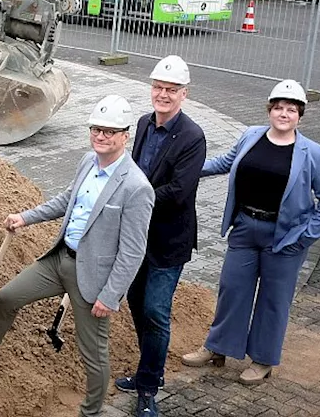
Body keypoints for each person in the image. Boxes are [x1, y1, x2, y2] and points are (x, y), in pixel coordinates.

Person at [0, 95, 154, 417]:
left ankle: (91, 411)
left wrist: (110, 296)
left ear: (125, 136)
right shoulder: (87, 161)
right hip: (59, 260)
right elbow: (67, 200)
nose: (101, 136)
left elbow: (133, 250)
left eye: (110, 131)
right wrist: (27, 217)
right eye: (97, 129)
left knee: (93, 352)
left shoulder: (137, 187)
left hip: (92, 279)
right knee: (7, 296)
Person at [182, 80, 320, 385]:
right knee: (232, 290)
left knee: (274, 299)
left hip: (285, 237)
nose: (283, 114)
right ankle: (217, 348)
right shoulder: (251, 136)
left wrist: (306, 236)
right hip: (244, 229)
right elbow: (225, 163)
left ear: (299, 115)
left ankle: (263, 360)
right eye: (278, 108)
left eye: (290, 109)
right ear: (270, 110)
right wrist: (186, 167)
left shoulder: (314, 154)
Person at [114, 56, 207, 417]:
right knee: (137, 302)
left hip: (170, 239)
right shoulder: (142, 124)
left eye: (171, 90)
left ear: (184, 94)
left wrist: (133, 198)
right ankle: (148, 370)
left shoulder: (192, 136)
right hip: (138, 236)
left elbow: (180, 191)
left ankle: (149, 386)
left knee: (155, 310)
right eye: (158, 88)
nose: (163, 95)